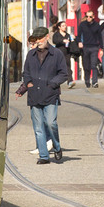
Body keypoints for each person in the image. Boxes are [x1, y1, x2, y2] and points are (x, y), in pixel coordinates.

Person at [17, 26, 69, 164]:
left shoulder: (56, 54)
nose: (38, 41)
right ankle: (44, 156)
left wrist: (52, 84)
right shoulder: (31, 55)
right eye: (36, 39)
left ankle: (57, 147)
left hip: (50, 95)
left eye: (40, 38)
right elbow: (26, 72)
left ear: (47, 37)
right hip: (34, 95)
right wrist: (28, 83)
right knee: (38, 128)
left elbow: (64, 73)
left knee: (51, 123)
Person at [78, 6, 104, 89]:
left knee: (94, 65)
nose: (88, 18)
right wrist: (79, 42)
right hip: (85, 47)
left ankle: (95, 82)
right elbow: (78, 35)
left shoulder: (97, 25)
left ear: (93, 17)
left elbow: (100, 37)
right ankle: (87, 81)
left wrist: (101, 48)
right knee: (86, 66)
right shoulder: (82, 25)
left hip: (94, 47)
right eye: (87, 16)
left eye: (90, 16)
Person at [51, 19, 81, 88]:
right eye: (63, 25)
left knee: (67, 67)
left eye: (65, 26)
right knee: (58, 68)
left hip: (67, 53)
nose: (65, 27)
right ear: (59, 27)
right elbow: (54, 41)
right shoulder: (56, 35)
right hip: (59, 53)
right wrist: (62, 41)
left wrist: (73, 39)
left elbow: (72, 43)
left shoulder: (68, 35)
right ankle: (55, 81)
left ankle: (70, 81)